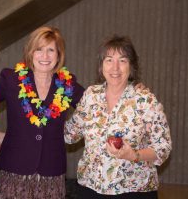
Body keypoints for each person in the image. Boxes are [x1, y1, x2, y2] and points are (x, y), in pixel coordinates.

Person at [0, 27, 147, 198]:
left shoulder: (67, 85)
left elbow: (99, 101)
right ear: (30, 53)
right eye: (39, 50)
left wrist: (130, 89)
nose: (44, 56)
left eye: (51, 50)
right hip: (13, 172)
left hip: (52, 175)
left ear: (58, 56)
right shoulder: (11, 80)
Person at [64, 35, 172, 199]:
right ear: (101, 66)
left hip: (134, 190)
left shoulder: (145, 100)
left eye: (122, 60)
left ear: (131, 67)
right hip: (91, 188)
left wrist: (134, 155)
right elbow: (70, 134)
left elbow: (163, 147)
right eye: (109, 60)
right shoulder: (91, 95)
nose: (115, 68)